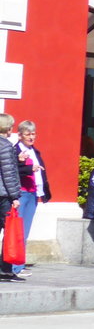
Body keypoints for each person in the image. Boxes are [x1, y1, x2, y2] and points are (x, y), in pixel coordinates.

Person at [11, 119, 50, 277]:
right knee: (17, 231)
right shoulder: (15, 151)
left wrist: (44, 191)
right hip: (21, 193)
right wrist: (29, 167)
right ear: (20, 135)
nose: (31, 137)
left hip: (33, 193)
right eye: (28, 134)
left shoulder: (34, 151)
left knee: (25, 231)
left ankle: (19, 265)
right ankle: (12, 267)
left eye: (33, 133)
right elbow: (13, 170)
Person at [0, 114, 28, 281]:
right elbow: (8, 174)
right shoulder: (6, 146)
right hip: (3, 196)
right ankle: (5, 269)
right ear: (8, 129)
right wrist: (15, 196)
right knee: (8, 231)